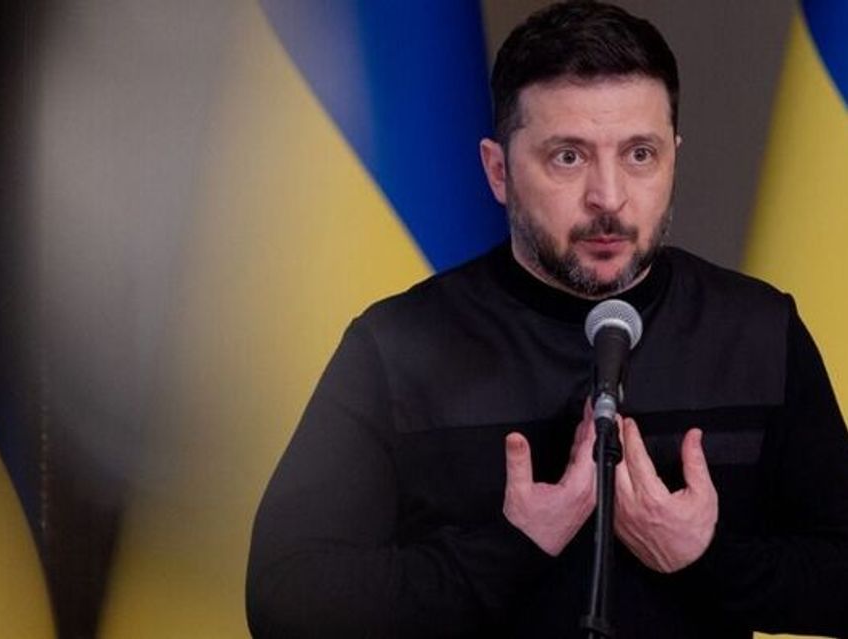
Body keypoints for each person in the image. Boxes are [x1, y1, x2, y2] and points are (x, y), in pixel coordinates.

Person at [246, 2, 848, 637]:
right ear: (498, 171)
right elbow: (286, 599)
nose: (609, 197)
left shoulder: (759, 331)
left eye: (639, 154)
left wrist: (707, 558)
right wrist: (510, 548)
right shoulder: (395, 346)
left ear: (673, 157)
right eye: (568, 157)